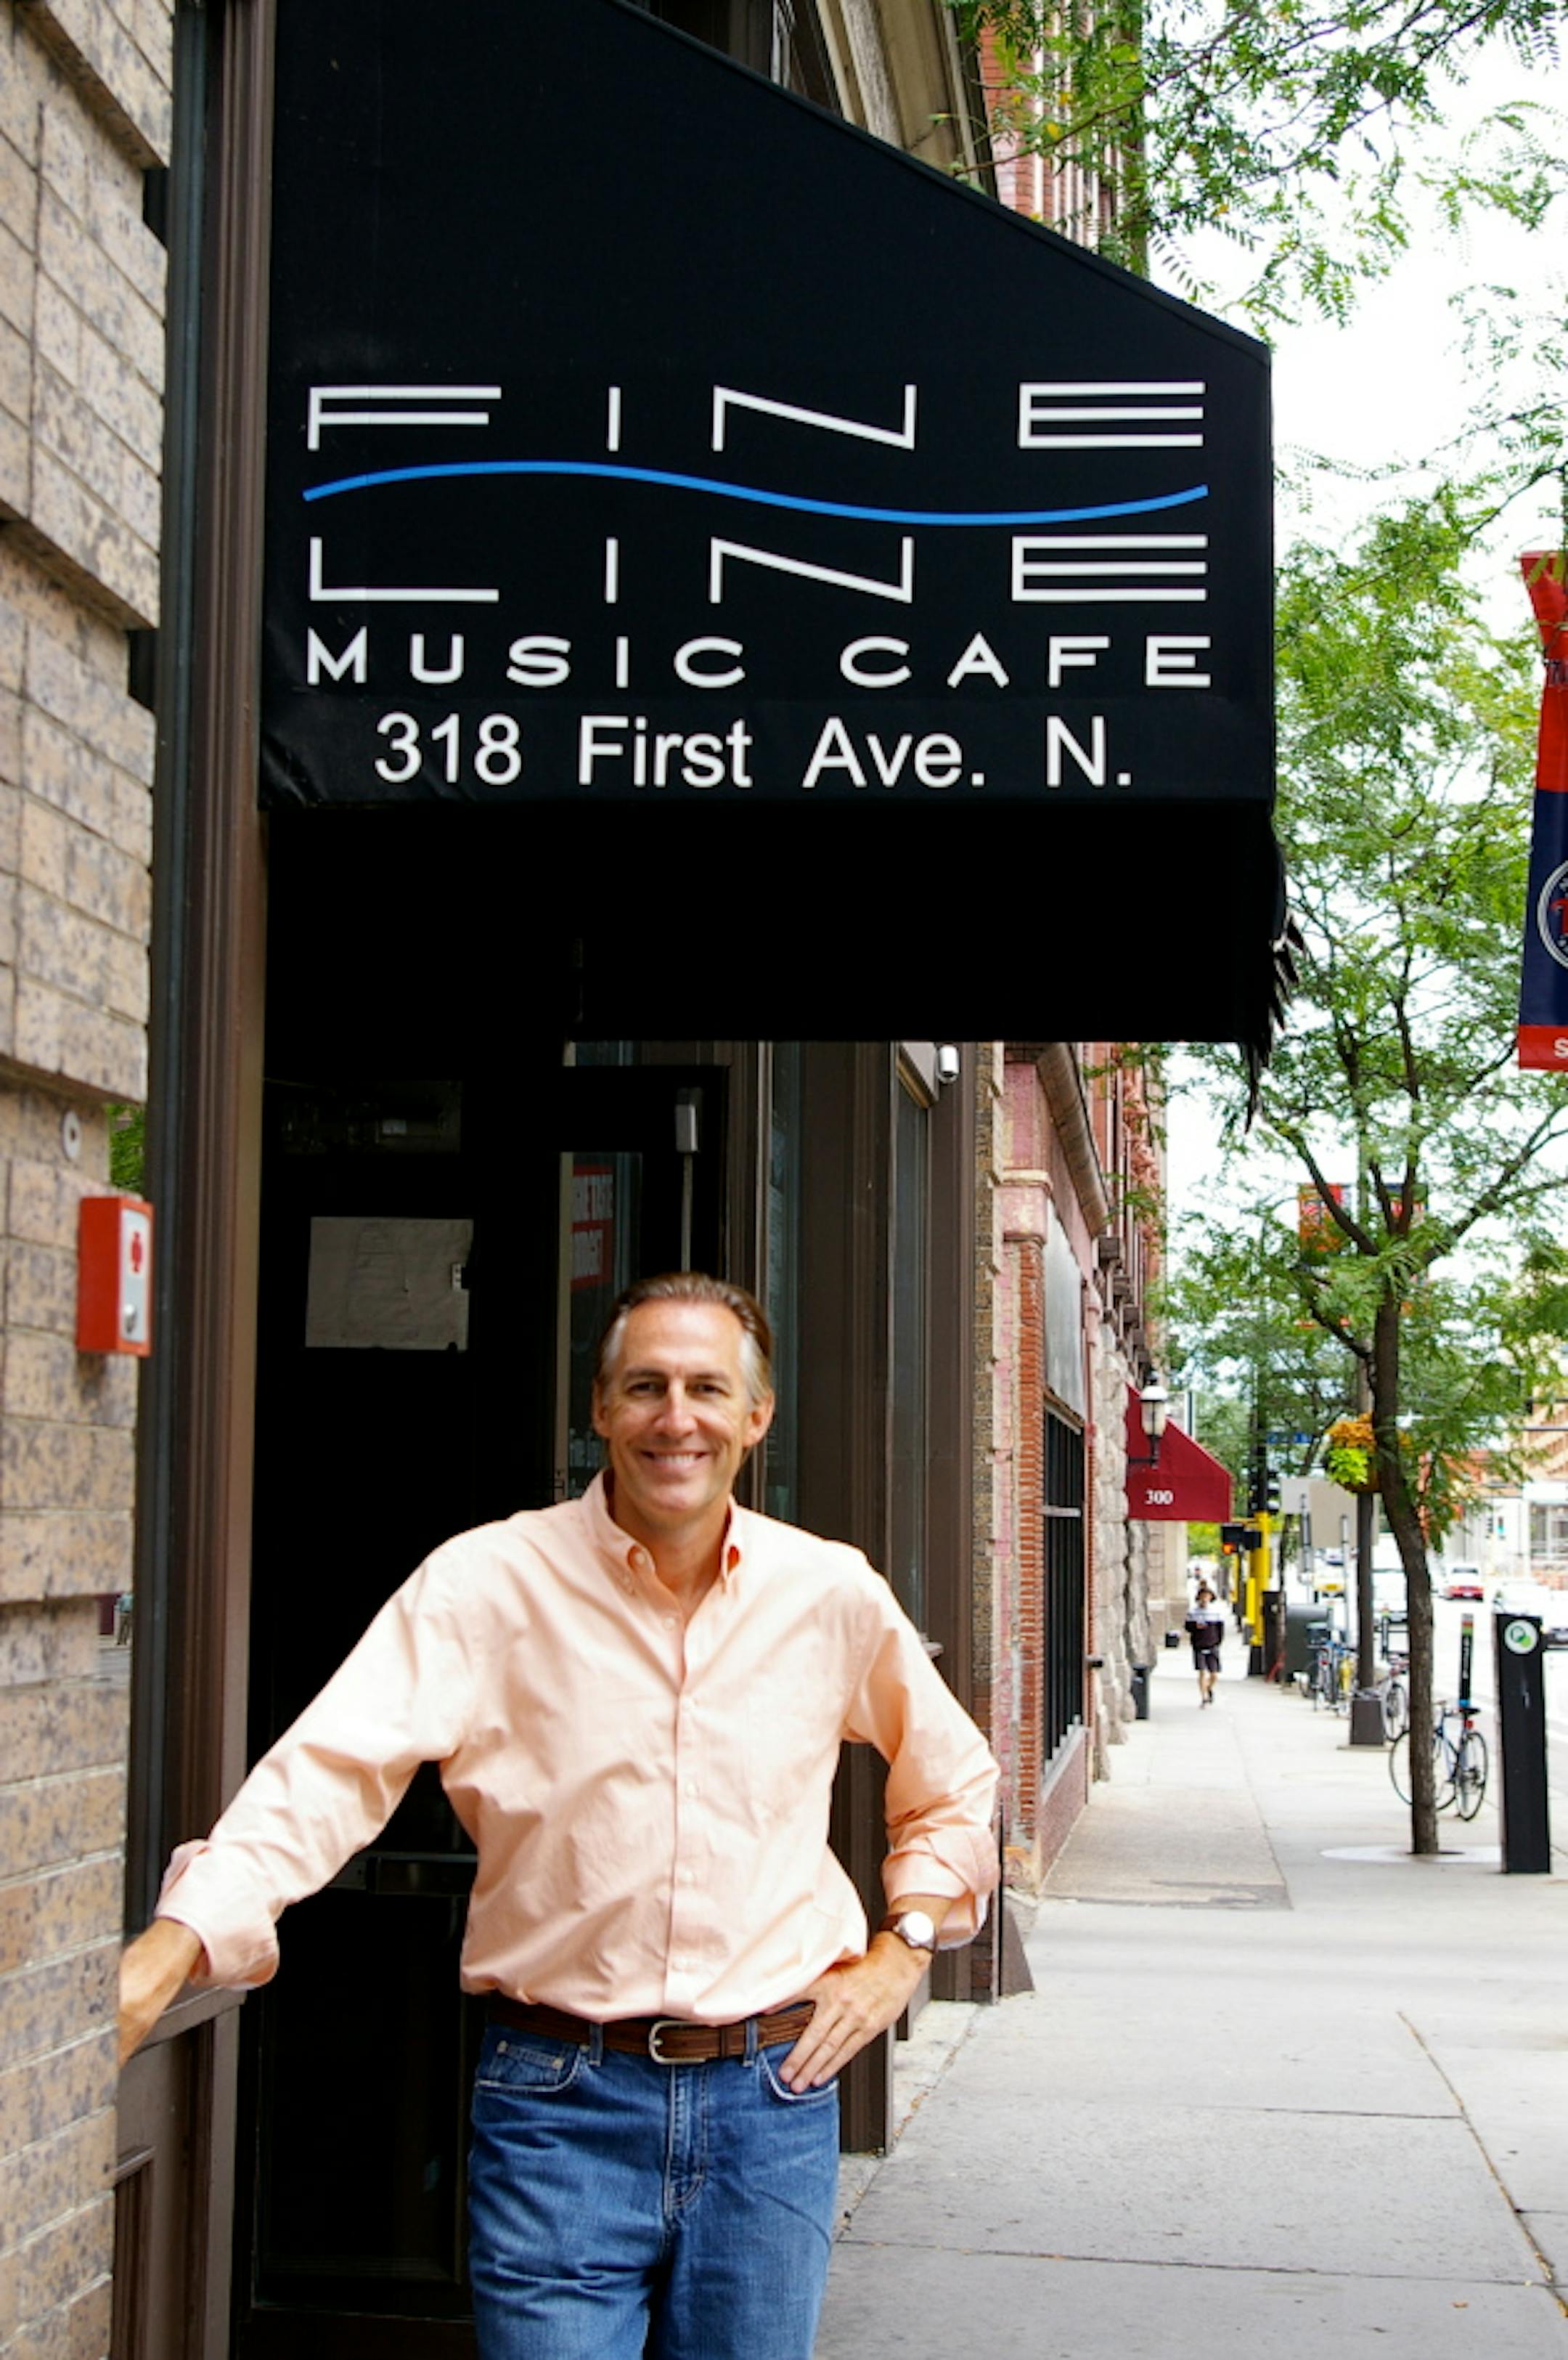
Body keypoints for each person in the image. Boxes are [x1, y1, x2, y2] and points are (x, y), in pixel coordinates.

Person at [118, 1270, 999, 2359]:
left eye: (707, 1390)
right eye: (645, 1387)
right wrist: (176, 1942)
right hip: (559, 2103)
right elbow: (326, 1770)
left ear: (755, 1416)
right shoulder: (487, 1584)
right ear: (599, 1406)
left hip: (773, 2102)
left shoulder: (829, 1593)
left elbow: (955, 1778)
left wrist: (902, 1947)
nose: (676, 1418)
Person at [1185, 1582, 1225, 1706]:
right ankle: (1204, 1697)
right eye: (1202, 1596)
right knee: (1202, 1671)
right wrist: (1195, 1626)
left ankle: (1208, 1687)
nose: (1204, 1599)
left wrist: (1218, 1642)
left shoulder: (1216, 1612)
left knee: (1214, 1674)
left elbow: (1220, 1629)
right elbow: (1187, 1627)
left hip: (1212, 1645)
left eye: (1207, 1596)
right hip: (1199, 1645)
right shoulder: (1193, 1612)